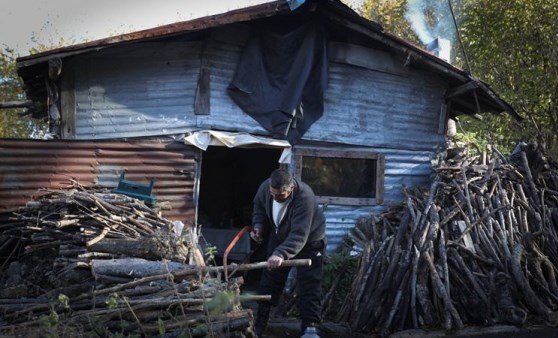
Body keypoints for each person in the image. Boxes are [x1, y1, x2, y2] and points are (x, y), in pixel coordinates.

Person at [250, 168, 326, 337]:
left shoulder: (304, 197)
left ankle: (310, 328)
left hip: (309, 242)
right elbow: (259, 209)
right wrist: (258, 227)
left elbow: (300, 234)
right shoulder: (265, 189)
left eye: (280, 195)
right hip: (280, 236)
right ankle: (259, 324)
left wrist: (280, 254)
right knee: (269, 279)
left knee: (309, 284)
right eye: (273, 194)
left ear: (290, 188)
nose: (275, 198)